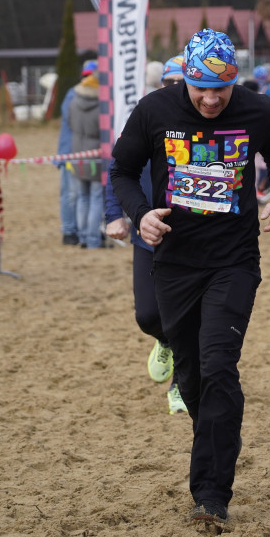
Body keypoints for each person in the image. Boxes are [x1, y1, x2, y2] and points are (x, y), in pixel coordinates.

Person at [110, 28, 270, 531]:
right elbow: (122, 172)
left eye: (222, 89)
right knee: (191, 376)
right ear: (185, 79)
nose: (212, 100)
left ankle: (211, 494)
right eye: (201, 89)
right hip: (174, 263)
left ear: (236, 81)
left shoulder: (258, 111)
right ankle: (213, 435)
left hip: (234, 262)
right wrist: (140, 213)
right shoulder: (154, 111)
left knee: (219, 366)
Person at [105, 53, 188, 415]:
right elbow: (120, 166)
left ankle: (181, 387)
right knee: (148, 316)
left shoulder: (208, 123)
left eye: (182, 83)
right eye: (168, 83)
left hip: (192, 238)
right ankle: (163, 340)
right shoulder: (147, 115)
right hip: (147, 232)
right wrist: (115, 215)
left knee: (190, 318)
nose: (175, 91)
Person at [57, 61, 96, 246]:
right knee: (71, 194)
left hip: (77, 151)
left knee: (80, 195)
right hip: (70, 151)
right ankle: (69, 230)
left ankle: (79, 233)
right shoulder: (74, 94)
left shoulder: (77, 94)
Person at [68, 70, 105, 249]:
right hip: (95, 156)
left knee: (82, 197)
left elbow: (69, 124)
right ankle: (92, 239)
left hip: (77, 153)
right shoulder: (101, 106)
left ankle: (83, 237)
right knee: (96, 197)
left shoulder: (73, 102)